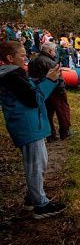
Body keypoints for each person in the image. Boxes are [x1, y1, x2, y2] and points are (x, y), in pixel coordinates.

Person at [0, 41, 66, 219]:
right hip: (27, 126)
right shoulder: (11, 77)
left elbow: (32, 89)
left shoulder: (16, 74)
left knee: (40, 162)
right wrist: (51, 81)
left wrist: (46, 79)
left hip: (30, 125)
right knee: (36, 165)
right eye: (22, 55)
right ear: (9, 58)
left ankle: (32, 198)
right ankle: (40, 205)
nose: (26, 58)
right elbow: (34, 98)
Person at [28, 42, 72, 141]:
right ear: (49, 51)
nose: (55, 52)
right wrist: (62, 89)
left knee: (47, 113)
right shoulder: (51, 63)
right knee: (63, 111)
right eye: (54, 50)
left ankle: (50, 135)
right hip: (56, 90)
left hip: (42, 90)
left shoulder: (32, 60)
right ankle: (65, 132)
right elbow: (58, 78)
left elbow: (31, 76)